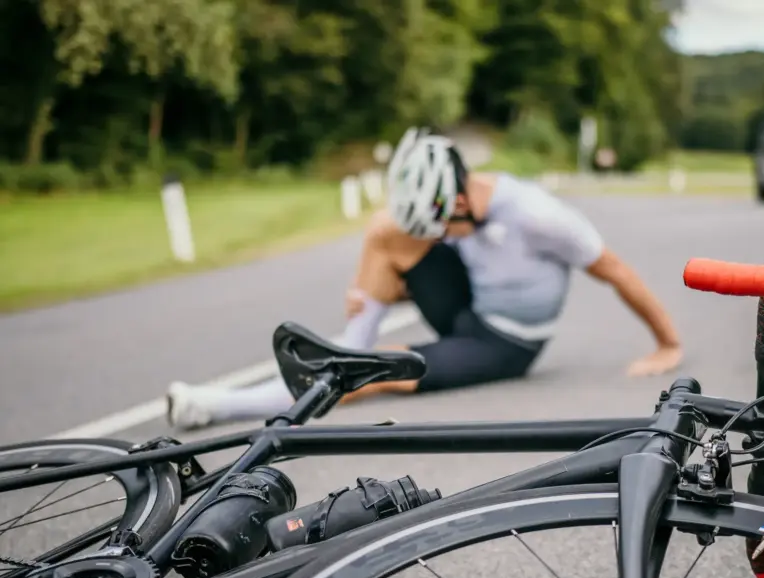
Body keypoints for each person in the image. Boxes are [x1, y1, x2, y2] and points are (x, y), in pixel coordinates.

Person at [166, 128, 683, 430]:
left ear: (459, 200)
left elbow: (616, 271)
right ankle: (353, 345)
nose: (438, 237)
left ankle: (216, 406)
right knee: (384, 233)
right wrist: (372, 289)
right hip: (468, 305)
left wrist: (667, 344)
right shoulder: (452, 210)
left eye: (441, 229)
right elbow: (422, 241)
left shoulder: (536, 215)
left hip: (507, 342)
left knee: (378, 374)